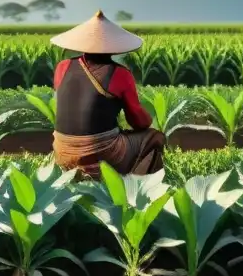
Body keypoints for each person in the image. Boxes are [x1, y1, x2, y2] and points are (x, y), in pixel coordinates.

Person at [50, 10, 165, 177]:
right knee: (155, 138)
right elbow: (139, 122)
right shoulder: (120, 74)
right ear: (114, 46)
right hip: (102, 151)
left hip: (62, 150)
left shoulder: (62, 67)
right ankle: (136, 188)